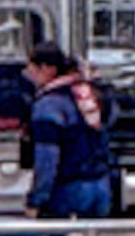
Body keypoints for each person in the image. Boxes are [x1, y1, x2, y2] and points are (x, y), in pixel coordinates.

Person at [25, 39, 119, 220]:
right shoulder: (92, 95)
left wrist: (36, 200)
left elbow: (47, 160)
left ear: (46, 69)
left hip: (69, 189)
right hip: (100, 186)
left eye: (32, 70)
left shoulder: (48, 105)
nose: (29, 75)